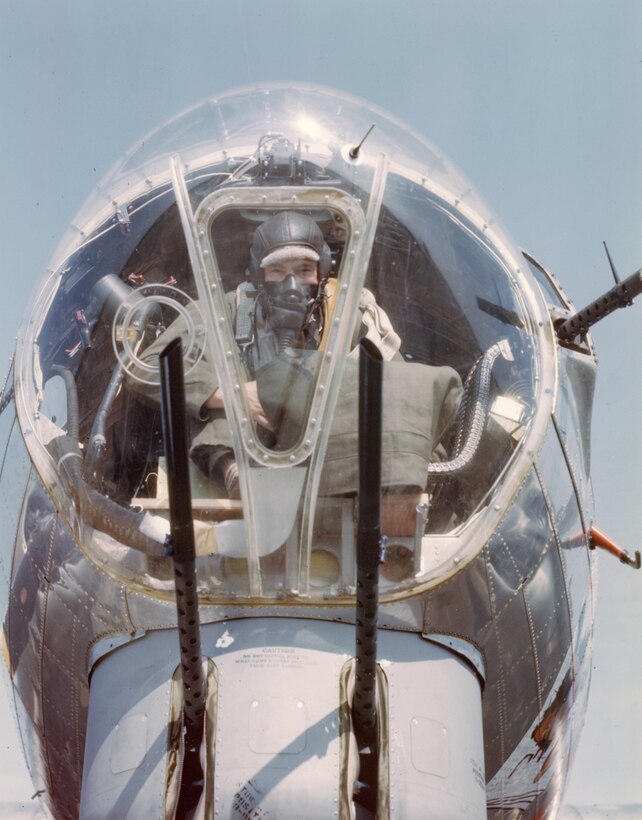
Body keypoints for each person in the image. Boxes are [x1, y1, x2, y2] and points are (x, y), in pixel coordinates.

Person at [130, 211, 462, 502]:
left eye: (304, 270)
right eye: (277, 270)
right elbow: (146, 369)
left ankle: (389, 487)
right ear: (258, 275)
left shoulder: (351, 316)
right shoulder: (223, 311)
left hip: (331, 454)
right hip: (245, 453)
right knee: (220, 355)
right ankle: (233, 474)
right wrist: (235, 395)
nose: (291, 284)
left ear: (322, 273)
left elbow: (403, 396)